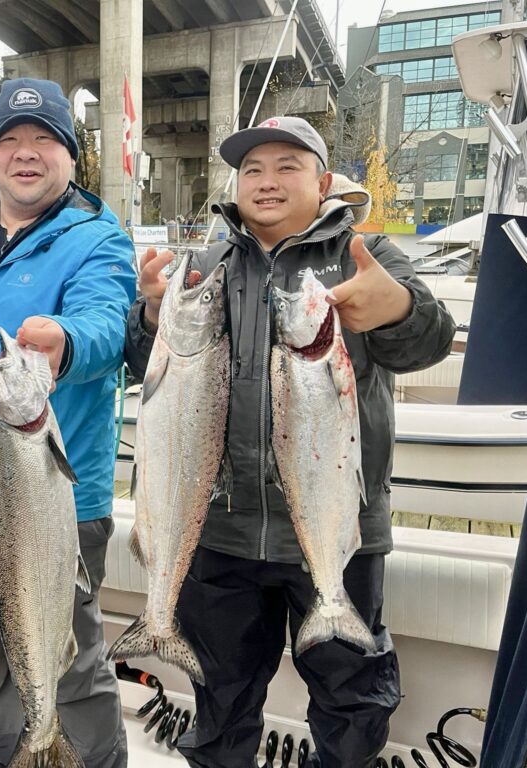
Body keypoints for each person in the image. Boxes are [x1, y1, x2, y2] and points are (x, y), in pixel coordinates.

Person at [125, 115, 455, 767]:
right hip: (215, 534)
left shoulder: (369, 256)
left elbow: (430, 340)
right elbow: (147, 370)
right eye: (252, 168)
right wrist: (151, 318)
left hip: (335, 530)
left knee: (352, 703)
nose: (266, 181)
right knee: (219, 702)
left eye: (287, 166)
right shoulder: (203, 266)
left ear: (324, 181)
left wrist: (399, 310)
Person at [0, 77, 135, 768]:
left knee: (68, 663)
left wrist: (64, 342)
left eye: (45, 140)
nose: (26, 153)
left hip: (54, 496)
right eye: (10, 139)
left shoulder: (100, 239)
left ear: (72, 156)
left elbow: (105, 327)